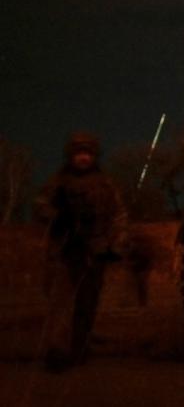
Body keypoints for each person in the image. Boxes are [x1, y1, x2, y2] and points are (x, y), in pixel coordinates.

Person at [35, 132, 130, 371]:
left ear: (94, 155)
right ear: (71, 155)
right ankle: (56, 351)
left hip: (94, 253)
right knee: (61, 305)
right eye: (79, 153)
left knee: (87, 305)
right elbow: (40, 206)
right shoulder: (58, 182)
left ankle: (79, 348)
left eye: (87, 153)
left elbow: (119, 216)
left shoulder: (105, 184)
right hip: (65, 253)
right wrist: (58, 218)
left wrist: (116, 244)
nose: (83, 157)